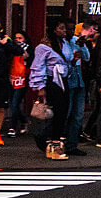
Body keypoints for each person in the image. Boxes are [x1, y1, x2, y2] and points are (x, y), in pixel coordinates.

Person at [28, 20, 73, 159]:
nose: (65, 31)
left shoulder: (65, 44)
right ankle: (52, 144)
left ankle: (56, 143)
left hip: (63, 80)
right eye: (62, 28)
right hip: (51, 81)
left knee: (62, 112)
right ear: (54, 30)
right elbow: (38, 66)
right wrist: (40, 87)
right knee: (56, 111)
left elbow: (68, 60)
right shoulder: (43, 47)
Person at [62, 23, 93, 155]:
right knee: (66, 113)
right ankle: (56, 139)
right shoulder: (61, 43)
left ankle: (72, 144)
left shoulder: (76, 41)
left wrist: (82, 46)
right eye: (66, 29)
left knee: (78, 114)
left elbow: (86, 57)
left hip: (78, 78)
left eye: (71, 29)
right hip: (67, 78)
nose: (69, 32)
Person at [5, 30, 31, 138]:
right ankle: (23, 120)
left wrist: (22, 49)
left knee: (15, 102)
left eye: (20, 38)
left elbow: (27, 57)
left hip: (22, 78)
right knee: (12, 103)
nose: (18, 40)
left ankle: (12, 127)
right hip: (11, 77)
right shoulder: (11, 49)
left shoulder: (28, 48)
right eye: (16, 38)